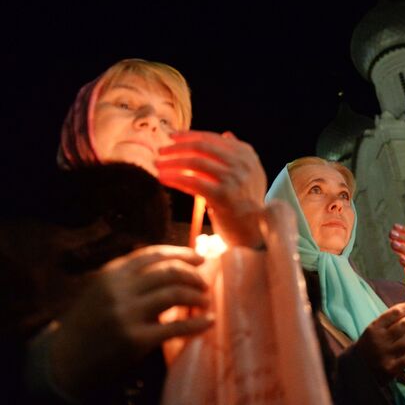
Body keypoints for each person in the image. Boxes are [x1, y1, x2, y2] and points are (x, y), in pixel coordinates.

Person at [2, 58, 268, 404]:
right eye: (125, 104)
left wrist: (254, 240)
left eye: (167, 120)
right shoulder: (16, 238)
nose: (148, 122)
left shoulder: (202, 243)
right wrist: (55, 362)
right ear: (79, 122)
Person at [264, 157, 405, 405]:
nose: (337, 205)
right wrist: (361, 369)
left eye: (344, 195)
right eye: (315, 189)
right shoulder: (264, 314)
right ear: (281, 209)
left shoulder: (395, 296)